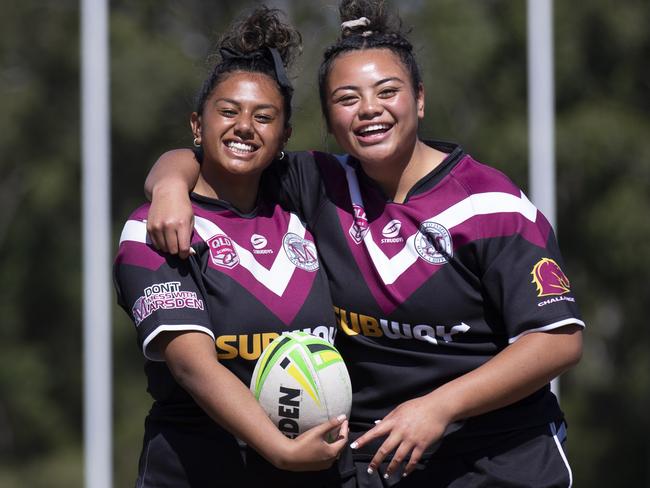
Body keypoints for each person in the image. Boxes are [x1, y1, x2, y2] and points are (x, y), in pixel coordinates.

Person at [143, 1, 584, 486]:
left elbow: (557, 341)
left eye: (387, 91)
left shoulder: (492, 206)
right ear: (329, 122)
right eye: (347, 98)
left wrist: (439, 407)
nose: (369, 109)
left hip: (500, 460)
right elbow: (215, 153)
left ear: (419, 99)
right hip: (374, 467)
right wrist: (167, 187)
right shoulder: (318, 184)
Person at [113, 7, 350, 488]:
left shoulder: (308, 217)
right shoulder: (154, 227)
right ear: (197, 126)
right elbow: (191, 365)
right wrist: (280, 451)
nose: (245, 126)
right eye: (228, 112)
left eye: (264, 117)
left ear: (283, 136)